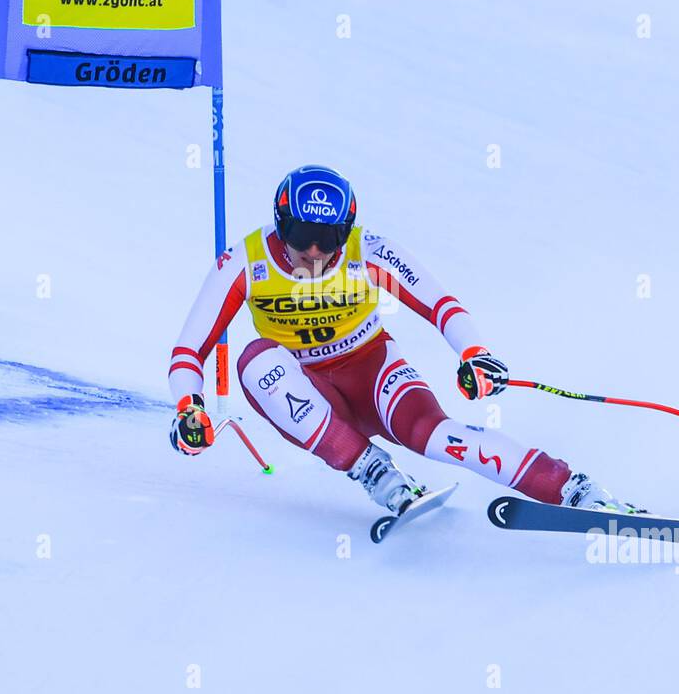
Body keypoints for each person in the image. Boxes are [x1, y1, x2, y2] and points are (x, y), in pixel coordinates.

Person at [167, 164, 642, 516]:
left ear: (346, 232)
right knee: (255, 359)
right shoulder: (243, 262)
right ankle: (373, 471)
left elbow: (440, 303)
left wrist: (475, 354)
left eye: (326, 238)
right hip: (305, 388)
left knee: (438, 437)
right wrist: (189, 406)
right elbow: (190, 351)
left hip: (371, 368)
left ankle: (577, 492)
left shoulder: (367, 250)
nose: (312, 251)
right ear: (280, 223)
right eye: (300, 235)